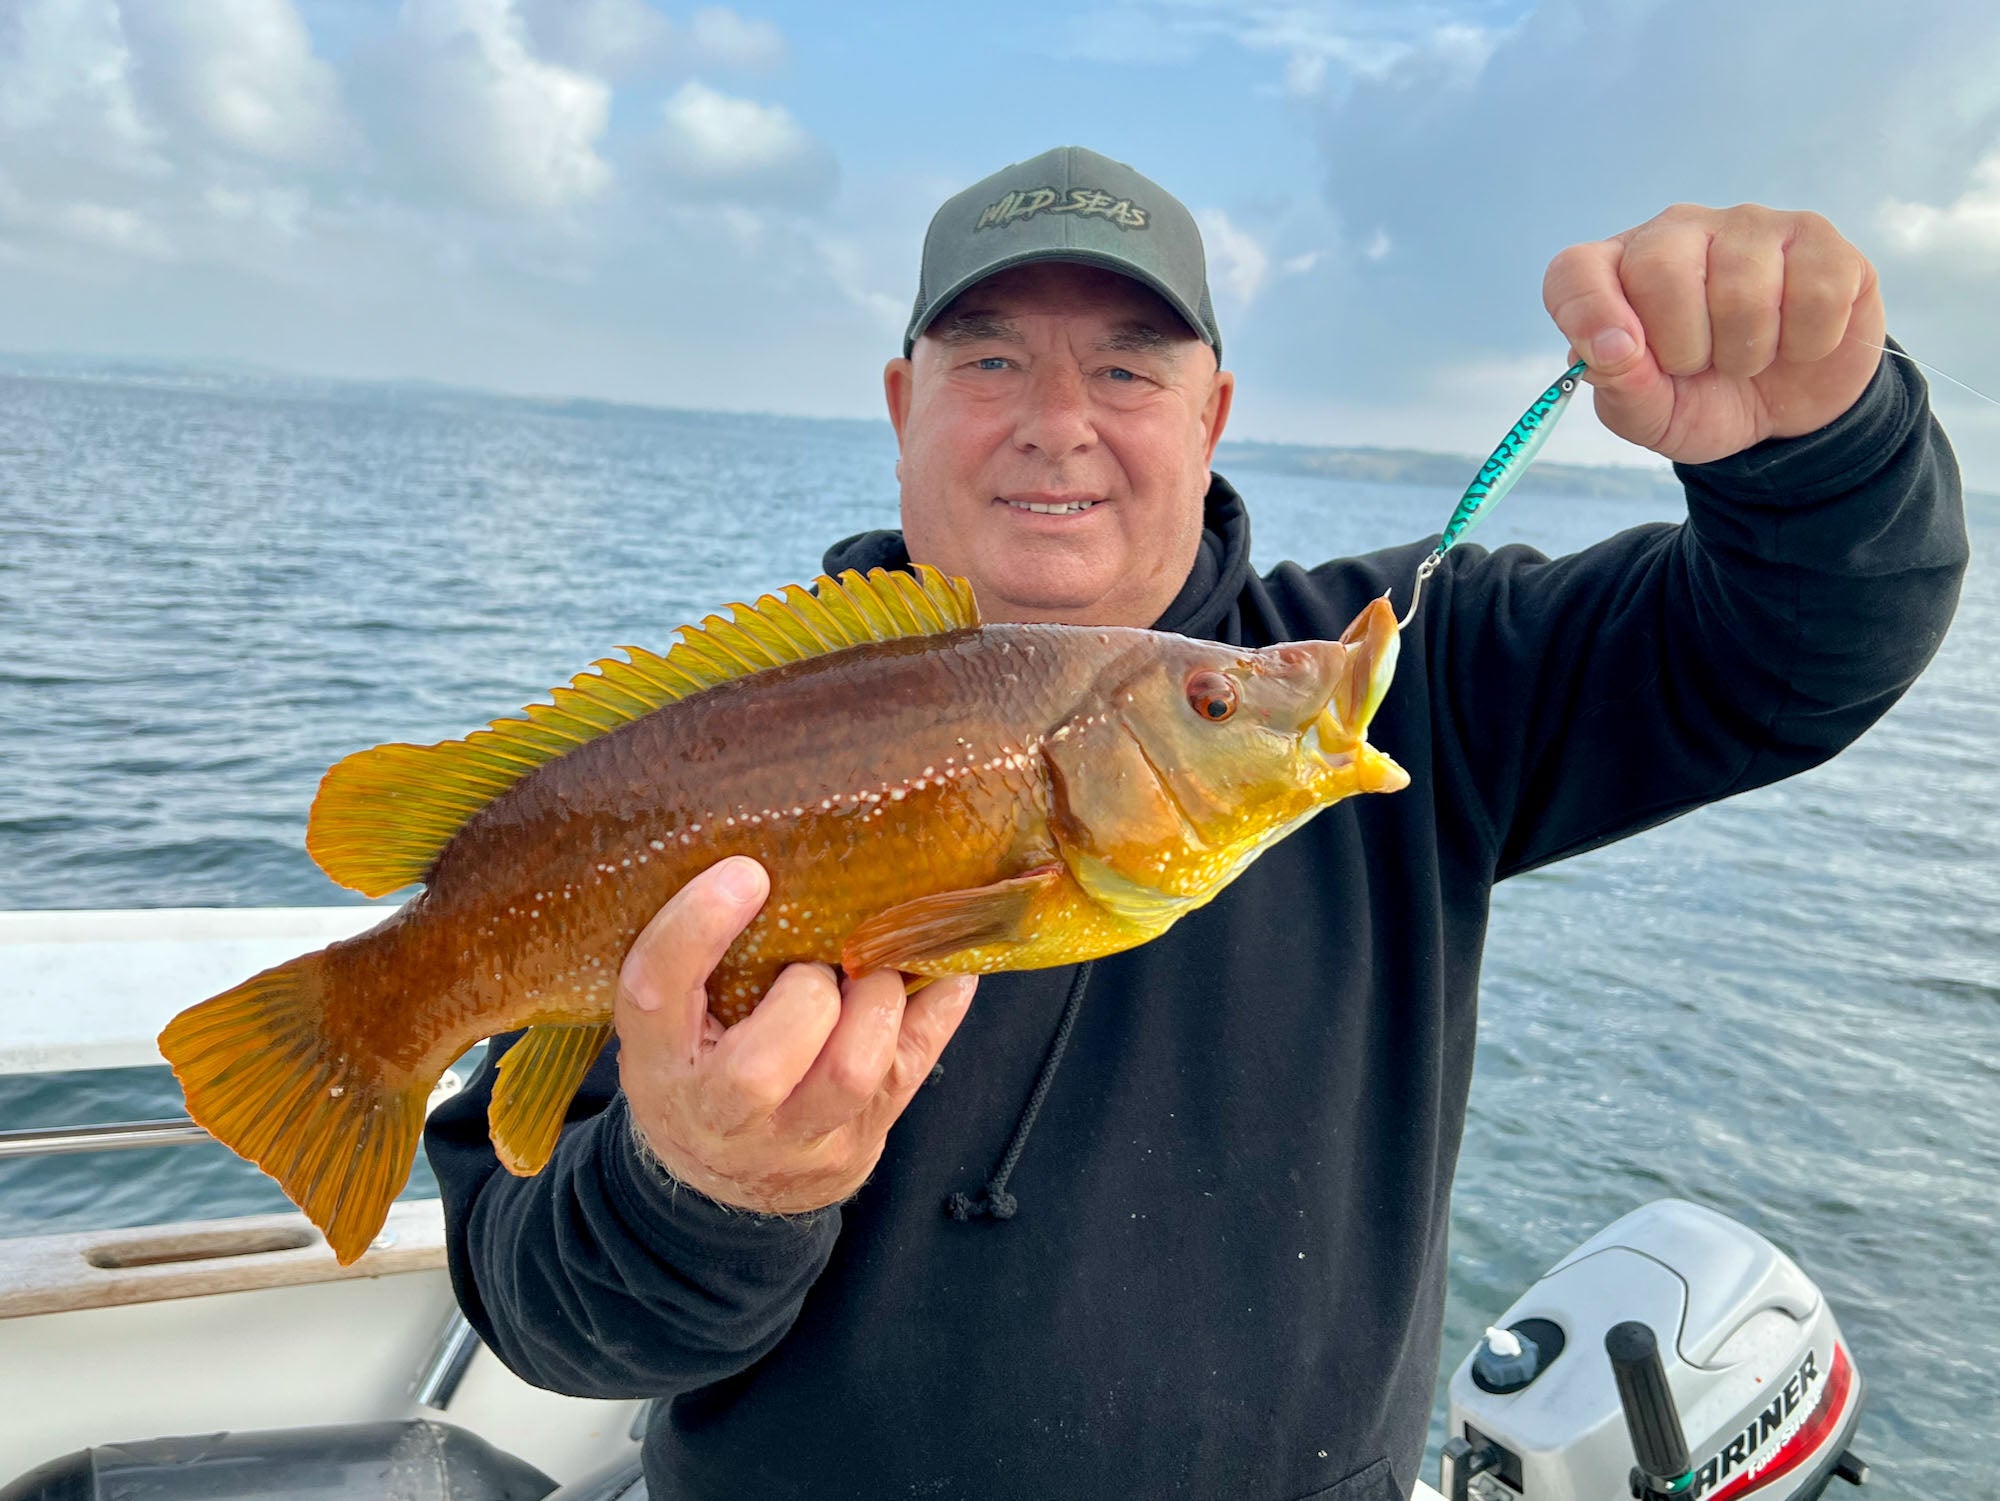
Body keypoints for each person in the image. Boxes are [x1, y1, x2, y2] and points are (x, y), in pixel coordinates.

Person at [425, 146, 1966, 1500]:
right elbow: (554, 1317)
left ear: (1213, 413)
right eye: (987, 362)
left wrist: (1815, 447)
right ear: (902, 406)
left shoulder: (1408, 691)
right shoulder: (703, 764)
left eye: (1129, 367)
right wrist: (708, 1188)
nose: (1056, 424)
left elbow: (1806, 642)